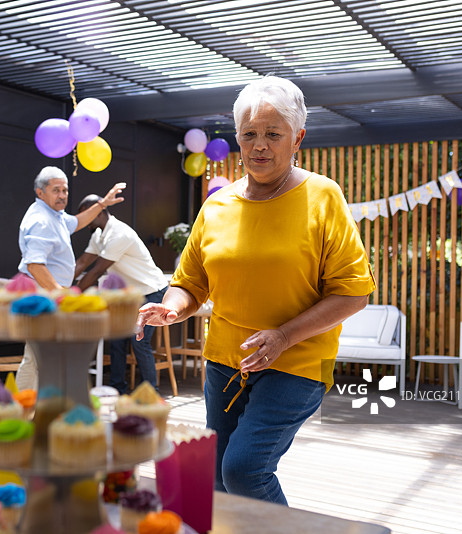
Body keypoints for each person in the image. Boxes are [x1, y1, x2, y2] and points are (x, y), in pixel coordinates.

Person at [136, 76, 376, 505]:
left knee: (244, 469)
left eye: (272, 134)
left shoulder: (323, 197)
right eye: (249, 134)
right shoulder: (218, 205)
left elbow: (353, 293)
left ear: (297, 137)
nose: (259, 145)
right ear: (237, 139)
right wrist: (171, 308)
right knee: (215, 480)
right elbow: (190, 282)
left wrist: (283, 335)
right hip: (225, 361)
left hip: (296, 361)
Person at [15, 166, 126, 390]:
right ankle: (24, 413)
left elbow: (77, 221)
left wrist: (103, 204)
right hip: (44, 296)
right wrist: (60, 294)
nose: (63, 195)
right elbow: (35, 265)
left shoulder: (54, 216)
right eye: (56, 190)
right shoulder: (42, 221)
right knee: (36, 358)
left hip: (49, 295)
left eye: (65, 190)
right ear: (40, 192)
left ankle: (43, 413)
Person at [73, 194, 170, 394]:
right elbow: (82, 262)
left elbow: (96, 271)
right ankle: (118, 389)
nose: (83, 220)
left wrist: (71, 294)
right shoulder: (98, 234)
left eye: (87, 214)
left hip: (151, 291)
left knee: (139, 340)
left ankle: (151, 393)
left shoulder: (119, 234)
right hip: (129, 296)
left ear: (99, 212)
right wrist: (61, 285)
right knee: (117, 339)